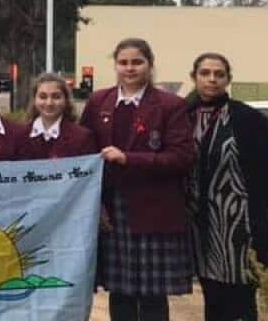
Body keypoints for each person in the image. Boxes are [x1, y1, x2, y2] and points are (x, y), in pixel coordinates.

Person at [80, 37, 195, 321]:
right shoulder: (98, 102)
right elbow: (81, 147)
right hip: (111, 210)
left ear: (149, 65)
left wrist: (128, 158)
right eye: (123, 62)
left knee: (152, 296)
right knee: (119, 293)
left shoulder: (171, 105)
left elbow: (182, 157)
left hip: (154, 209)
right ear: (115, 65)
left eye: (137, 62)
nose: (129, 68)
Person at [185, 52, 268, 321]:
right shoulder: (184, 117)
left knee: (242, 297)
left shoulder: (247, 119)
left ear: (228, 79)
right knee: (211, 295)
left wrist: (256, 208)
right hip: (200, 225)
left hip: (240, 226)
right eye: (205, 73)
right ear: (194, 77)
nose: (212, 79)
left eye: (219, 74)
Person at [16, 72, 97, 160]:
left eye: (56, 97)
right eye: (43, 97)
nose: (49, 103)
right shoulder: (19, 137)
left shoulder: (82, 138)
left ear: (66, 100)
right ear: (34, 99)